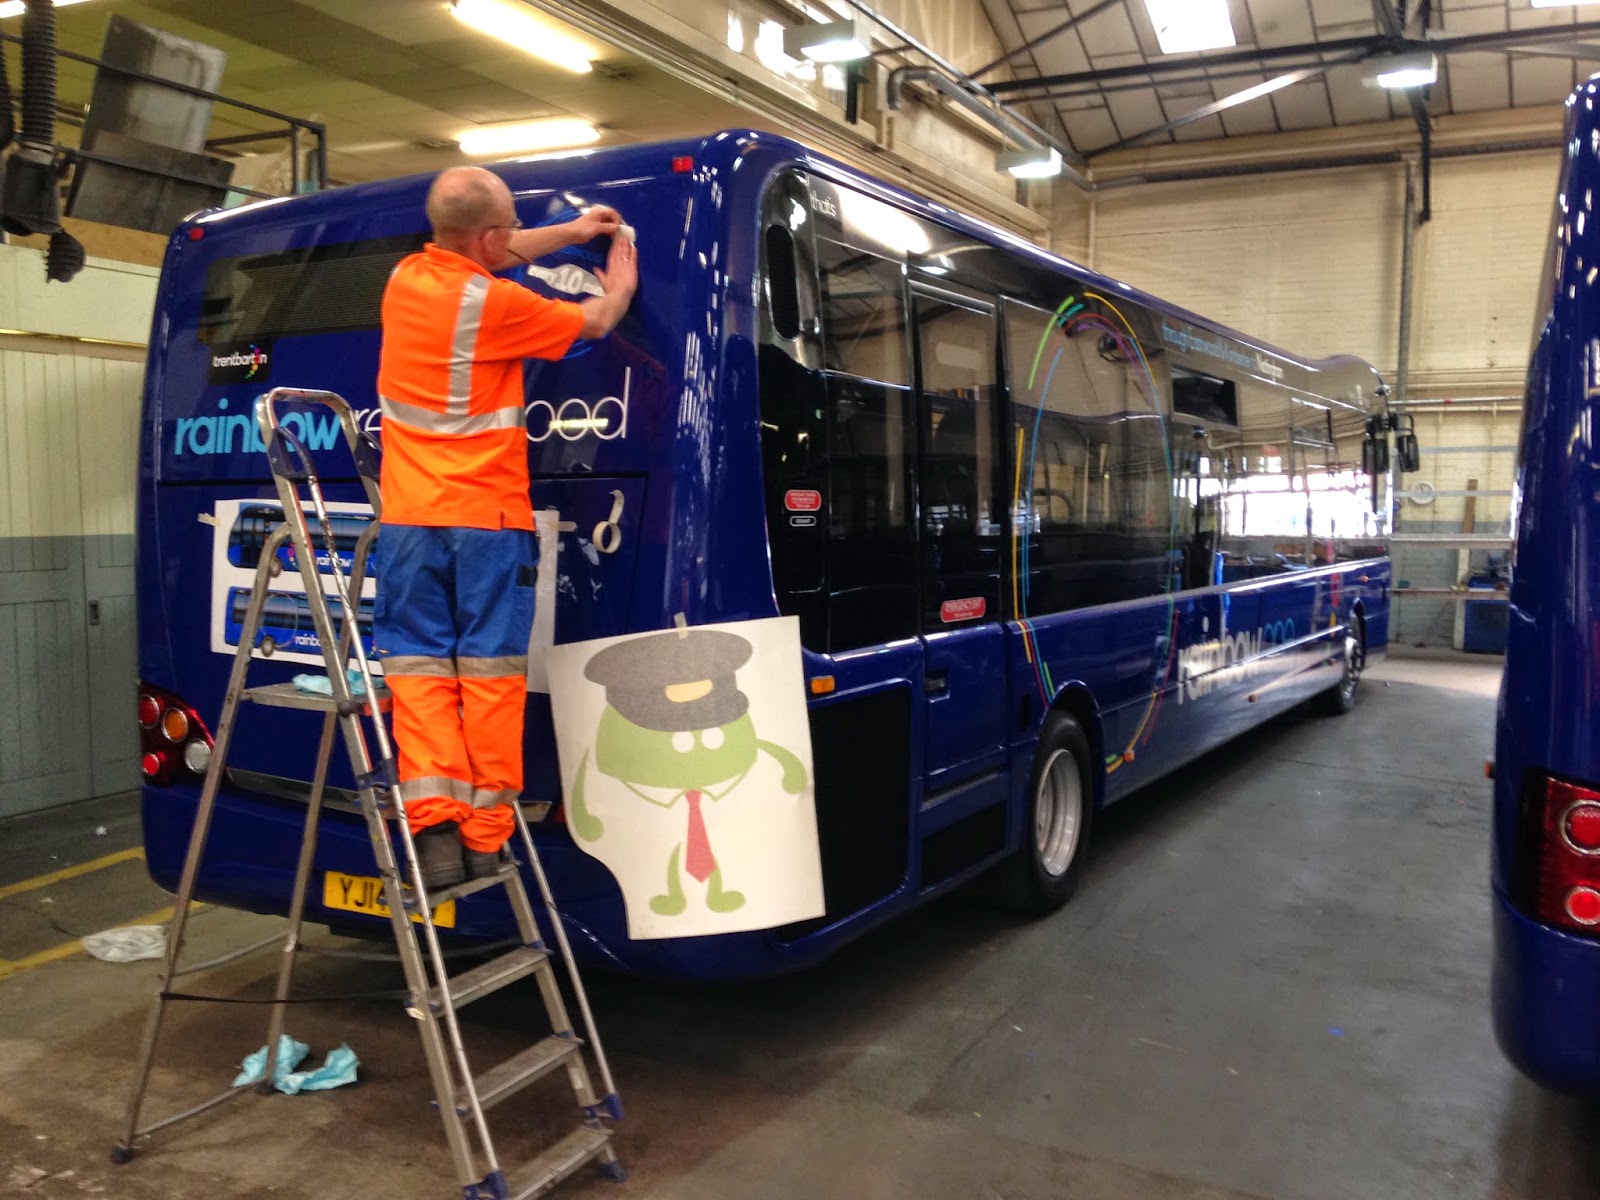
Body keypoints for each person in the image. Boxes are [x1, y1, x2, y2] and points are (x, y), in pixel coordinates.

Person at [375, 165, 637, 889]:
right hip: (487, 522)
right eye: (509, 229)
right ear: (489, 236)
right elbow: (597, 322)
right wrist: (618, 280)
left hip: (408, 521)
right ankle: (486, 839)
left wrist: (572, 231)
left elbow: (493, 246)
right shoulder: (496, 304)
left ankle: (433, 832)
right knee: (490, 678)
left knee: (419, 672)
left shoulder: (403, 280)